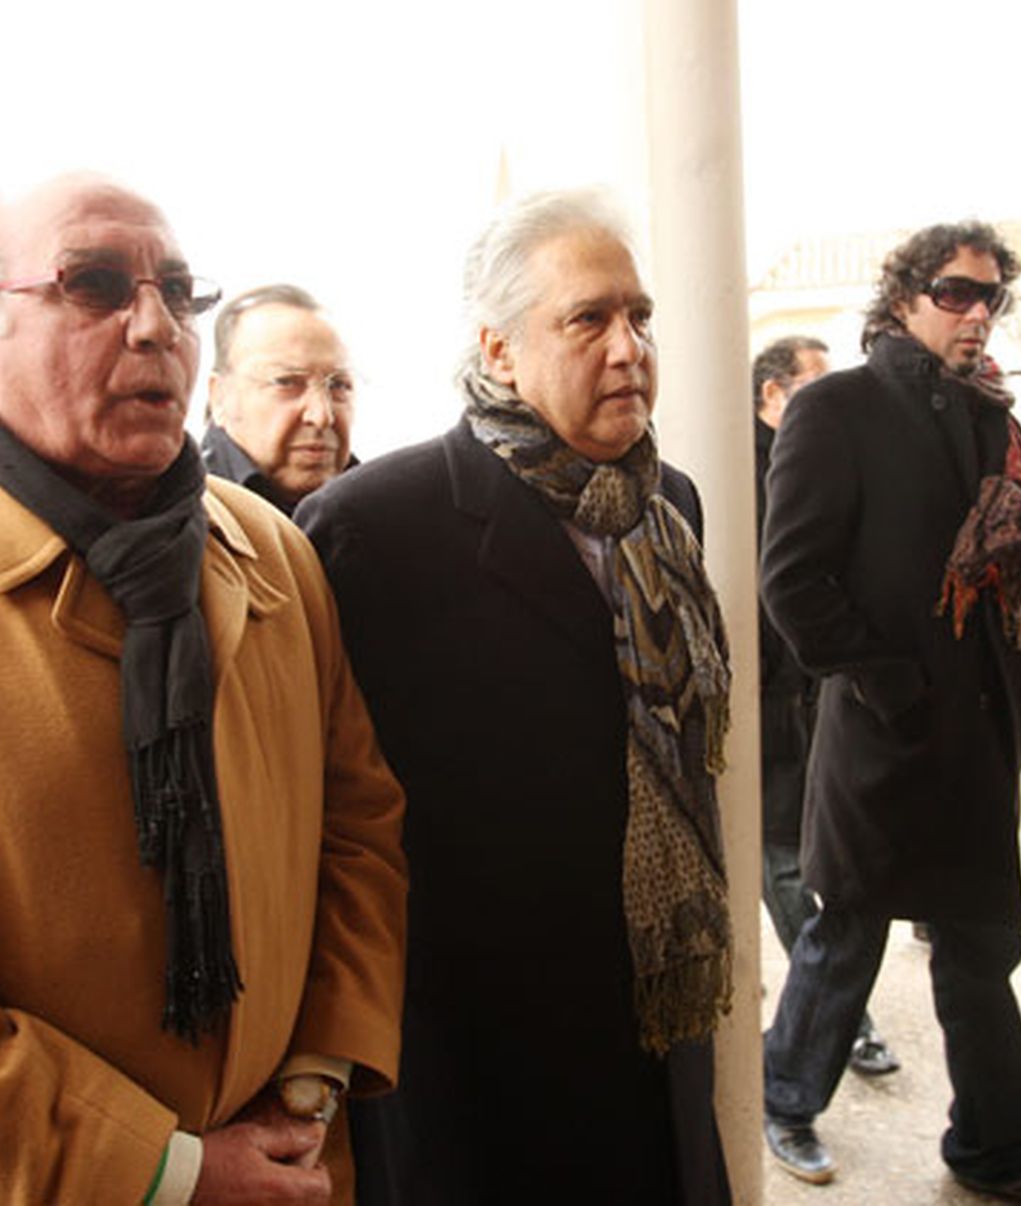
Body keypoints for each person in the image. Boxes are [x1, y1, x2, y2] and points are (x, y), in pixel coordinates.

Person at [0, 172, 408, 1205]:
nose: (155, 325)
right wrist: (164, 1175)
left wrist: (309, 1085)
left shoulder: (269, 554)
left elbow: (356, 831)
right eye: (95, 285)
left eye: (177, 288)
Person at [295, 188, 733, 1205]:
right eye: (588, 319)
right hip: (479, 1047)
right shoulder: (374, 527)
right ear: (497, 351)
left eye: (640, 317)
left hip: (657, 1009)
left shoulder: (669, 507)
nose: (629, 349)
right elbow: (326, 808)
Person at [759, 220, 1021, 1203]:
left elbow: (996, 570)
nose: (975, 312)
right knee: (847, 930)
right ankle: (784, 1095)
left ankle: (995, 1149)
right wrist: (889, 680)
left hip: (980, 733)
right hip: (884, 732)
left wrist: (1020, 667)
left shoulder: (992, 417)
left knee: (981, 940)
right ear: (904, 298)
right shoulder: (836, 407)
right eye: (954, 292)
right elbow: (792, 582)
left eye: (990, 296)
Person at [752, 336, 898, 1079]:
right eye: (814, 383)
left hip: (810, 698)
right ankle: (839, 1026)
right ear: (770, 397)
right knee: (783, 860)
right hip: (768, 702)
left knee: (799, 858)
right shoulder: (741, 468)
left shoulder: (810, 459)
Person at [203, 284, 359, 514]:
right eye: (286, 383)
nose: (321, 415)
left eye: (338, 385)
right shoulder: (181, 521)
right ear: (219, 397)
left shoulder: (385, 510)